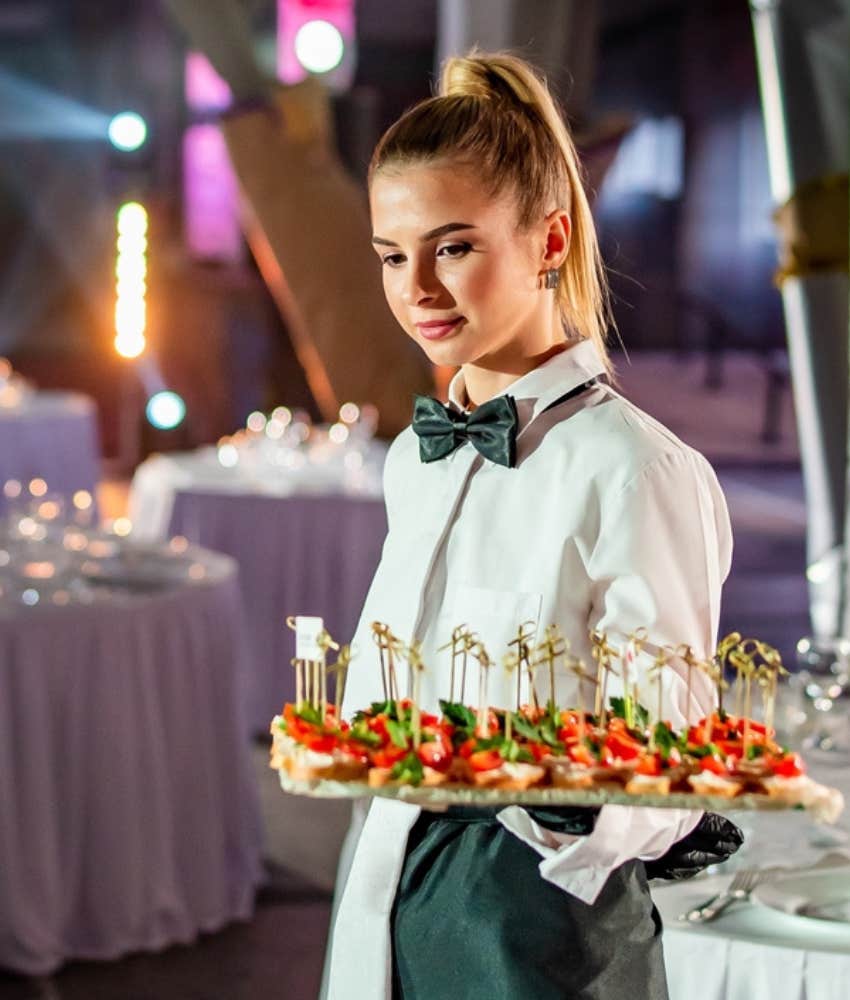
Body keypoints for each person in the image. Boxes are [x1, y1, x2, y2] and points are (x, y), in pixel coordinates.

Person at [325, 50, 741, 1000]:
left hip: (534, 930)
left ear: (551, 241)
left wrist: (551, 819)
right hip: (382, 892)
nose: (416, 288)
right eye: (394, 255)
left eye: (455, 246)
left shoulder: (638, 472)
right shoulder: (411, 462)